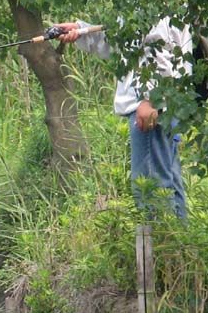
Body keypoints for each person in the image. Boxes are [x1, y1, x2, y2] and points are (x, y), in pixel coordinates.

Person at [57, 18, 192, 220]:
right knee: (168, 183)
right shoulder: (137, 3)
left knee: (149, 188)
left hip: (150, 106)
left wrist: (150, 98)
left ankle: (157, 239)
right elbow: (124, 45)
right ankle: (177, 238)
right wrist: (81, 31)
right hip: (164, 101)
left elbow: (159, 46)